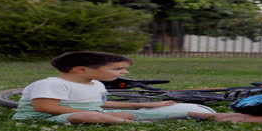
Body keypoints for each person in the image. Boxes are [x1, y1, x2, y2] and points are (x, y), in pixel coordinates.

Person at [13, 51, 214, 124]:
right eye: (118, 69)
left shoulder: (97, 83)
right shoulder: (51, 84)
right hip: (44, 118)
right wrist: (106, 114)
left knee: (129, 112)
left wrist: (149, 104)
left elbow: (100, 103)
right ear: (80, 69)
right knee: (90, 116)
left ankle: (192, 114)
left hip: (91, 112)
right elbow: (44, 108)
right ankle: (129, 123)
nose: (124, 73)